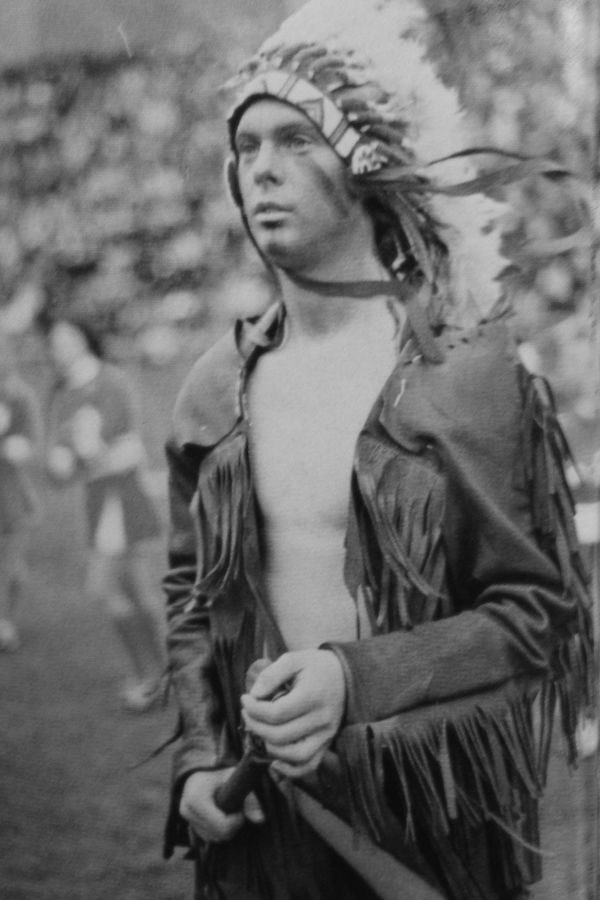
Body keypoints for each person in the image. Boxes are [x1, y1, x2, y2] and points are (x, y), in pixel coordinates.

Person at [162, 1, 594, 898]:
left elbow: (534, 612)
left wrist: (354, 678)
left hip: (425, 823)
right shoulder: (213, 383)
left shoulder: (462, 369)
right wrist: (199, 764)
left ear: (365, 165)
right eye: (246, 149)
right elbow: (192, 600)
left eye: (295, 141)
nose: (261, 172)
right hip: (264, 835)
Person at [43, 315, 165, 712]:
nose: (58, 348)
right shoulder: (62, 393)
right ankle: (162, 673)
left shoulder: (111, 381)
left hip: (123, 498)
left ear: (84, 339)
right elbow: (61, 469)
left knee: (110, 589)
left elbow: (129, 449)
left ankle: (155, 677)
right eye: (54, 342)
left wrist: (87, 455)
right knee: (134, 590)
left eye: (65, 339)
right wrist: (64, 462)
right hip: (100, 501)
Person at [0, 332, 42, 652]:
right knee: (11, 567)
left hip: (11, 494)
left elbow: (31, 444)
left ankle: (4, 621)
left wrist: (21, 447)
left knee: (10, 565)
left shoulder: (19, 396)